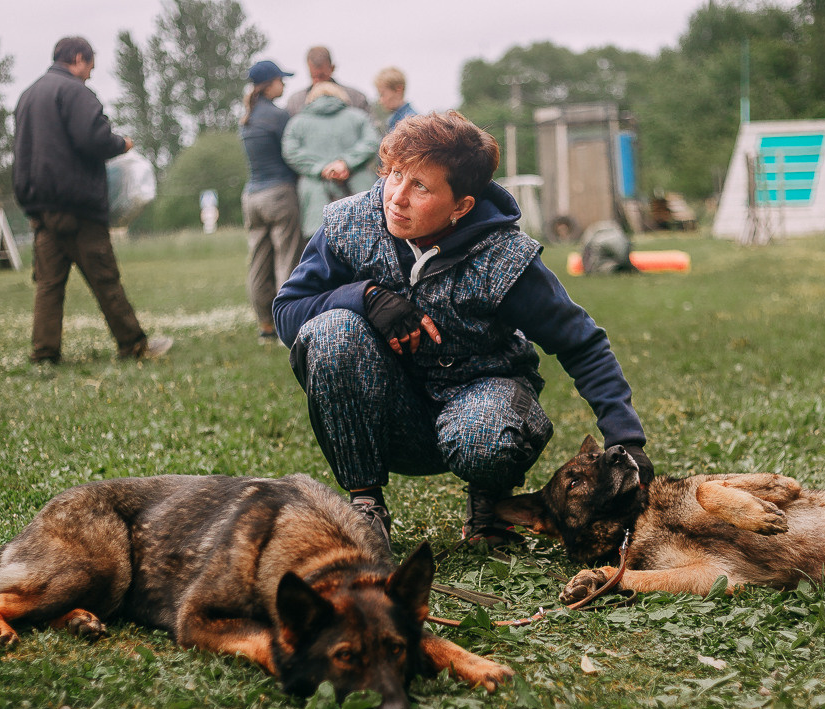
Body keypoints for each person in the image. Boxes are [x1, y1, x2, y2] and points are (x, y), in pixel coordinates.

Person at [274, 111, 652, 548]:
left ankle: (490, 505)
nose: (396, 196)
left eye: (420, 186)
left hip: (481, 409)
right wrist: (364, 297)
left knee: (482, 435)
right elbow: (287, 311)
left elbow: (582, 343)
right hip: (391, 418)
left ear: (461, 206)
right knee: (331, 332)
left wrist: (627, 439)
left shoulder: (505, 257)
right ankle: (366, 507)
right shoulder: (348, 225)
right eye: (395, 174)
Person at [12, 36, 172, 364]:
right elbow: (92, 138)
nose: (89, 76)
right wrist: (121, 144)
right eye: (90, 68)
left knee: (48, 286)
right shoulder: (75, 92)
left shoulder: (28, 96)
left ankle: (44, 353)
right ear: (79, 58)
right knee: (105, 279)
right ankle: (134, 345)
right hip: (79, 208)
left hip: (42, 211)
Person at [240, 59, 303, 344]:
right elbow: (291, 155)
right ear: (269, 84)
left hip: (252, 196)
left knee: (258, 262)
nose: (285, 84)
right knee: (286, 260)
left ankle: (266, 326)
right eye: (281, 79)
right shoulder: (279, 117)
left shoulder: (248, 117)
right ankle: (286, 328)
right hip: (279, 193)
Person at [281, 83, 381, 240]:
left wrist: (322, 168)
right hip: (358, 198)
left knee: (321, 253)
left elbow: (290, 152)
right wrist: (345, 163)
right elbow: (372, 142)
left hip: (317, 203)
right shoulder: (359, 117)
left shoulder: (297, 123)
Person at [284, 46, 370, 117]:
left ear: (332, 68)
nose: (318, 82)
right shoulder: (295, 103)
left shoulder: (356, 99)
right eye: (314, 77)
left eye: (322, 76)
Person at [373, 66, 417, 134]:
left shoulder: (410, 123)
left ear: (398, 89)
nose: (380, 100)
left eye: (382, 94)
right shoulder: (395, 121)